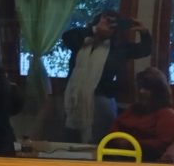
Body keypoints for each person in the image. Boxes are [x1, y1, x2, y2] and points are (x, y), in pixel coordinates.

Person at [61, 10, 153, 144]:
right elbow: (66, 36)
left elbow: (145, 50)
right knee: (71, 142)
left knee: (100, 143)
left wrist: (144, 32)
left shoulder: (119, 48)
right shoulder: (81, 41)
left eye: (113, 23)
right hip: (73, 100)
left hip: (102, 101)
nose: (109, 25)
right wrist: (94, 30)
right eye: (106, 20)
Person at [109, 67, 174, 162]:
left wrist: (131, 144)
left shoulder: (167, 114)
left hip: (147, 162)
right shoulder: (133, 109)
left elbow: (162, 144)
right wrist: (117, 139)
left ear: (158, 92)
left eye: (146, 88)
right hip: (121, 157)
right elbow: (115, 125)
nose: (141, 91)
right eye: (140, 87)